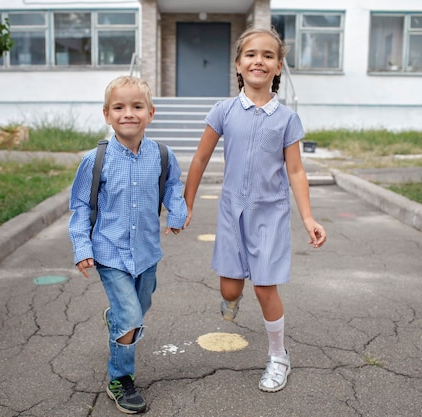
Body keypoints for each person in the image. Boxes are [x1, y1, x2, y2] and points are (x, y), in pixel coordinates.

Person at [182, 27, 327, 393]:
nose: (258, 60)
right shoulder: (224, 111)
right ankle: (233, 296)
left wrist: (308, 217)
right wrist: (185, 203)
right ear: (238, 64)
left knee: (265, 288)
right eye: (250, 54)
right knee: (230, 290)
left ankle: (279, 356)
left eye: (267, 55)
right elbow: (199, 159)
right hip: (232, 213)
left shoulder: (287, 119)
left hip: (271, 214)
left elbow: (295, 170)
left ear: (278, 66)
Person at [68, 75, 187, 414]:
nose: (128, 113)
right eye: (119, 107)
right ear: (107, 114)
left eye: (137, 107)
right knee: (132, 317)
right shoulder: (96, 160)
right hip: (110, 251)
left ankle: (118, 318)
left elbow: (173, 187)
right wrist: (82, 248)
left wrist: (177, 214)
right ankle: (120, 378)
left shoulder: (162, 155)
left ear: (151, 112)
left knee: (138, 308)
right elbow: (80, 206)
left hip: (147, 252)